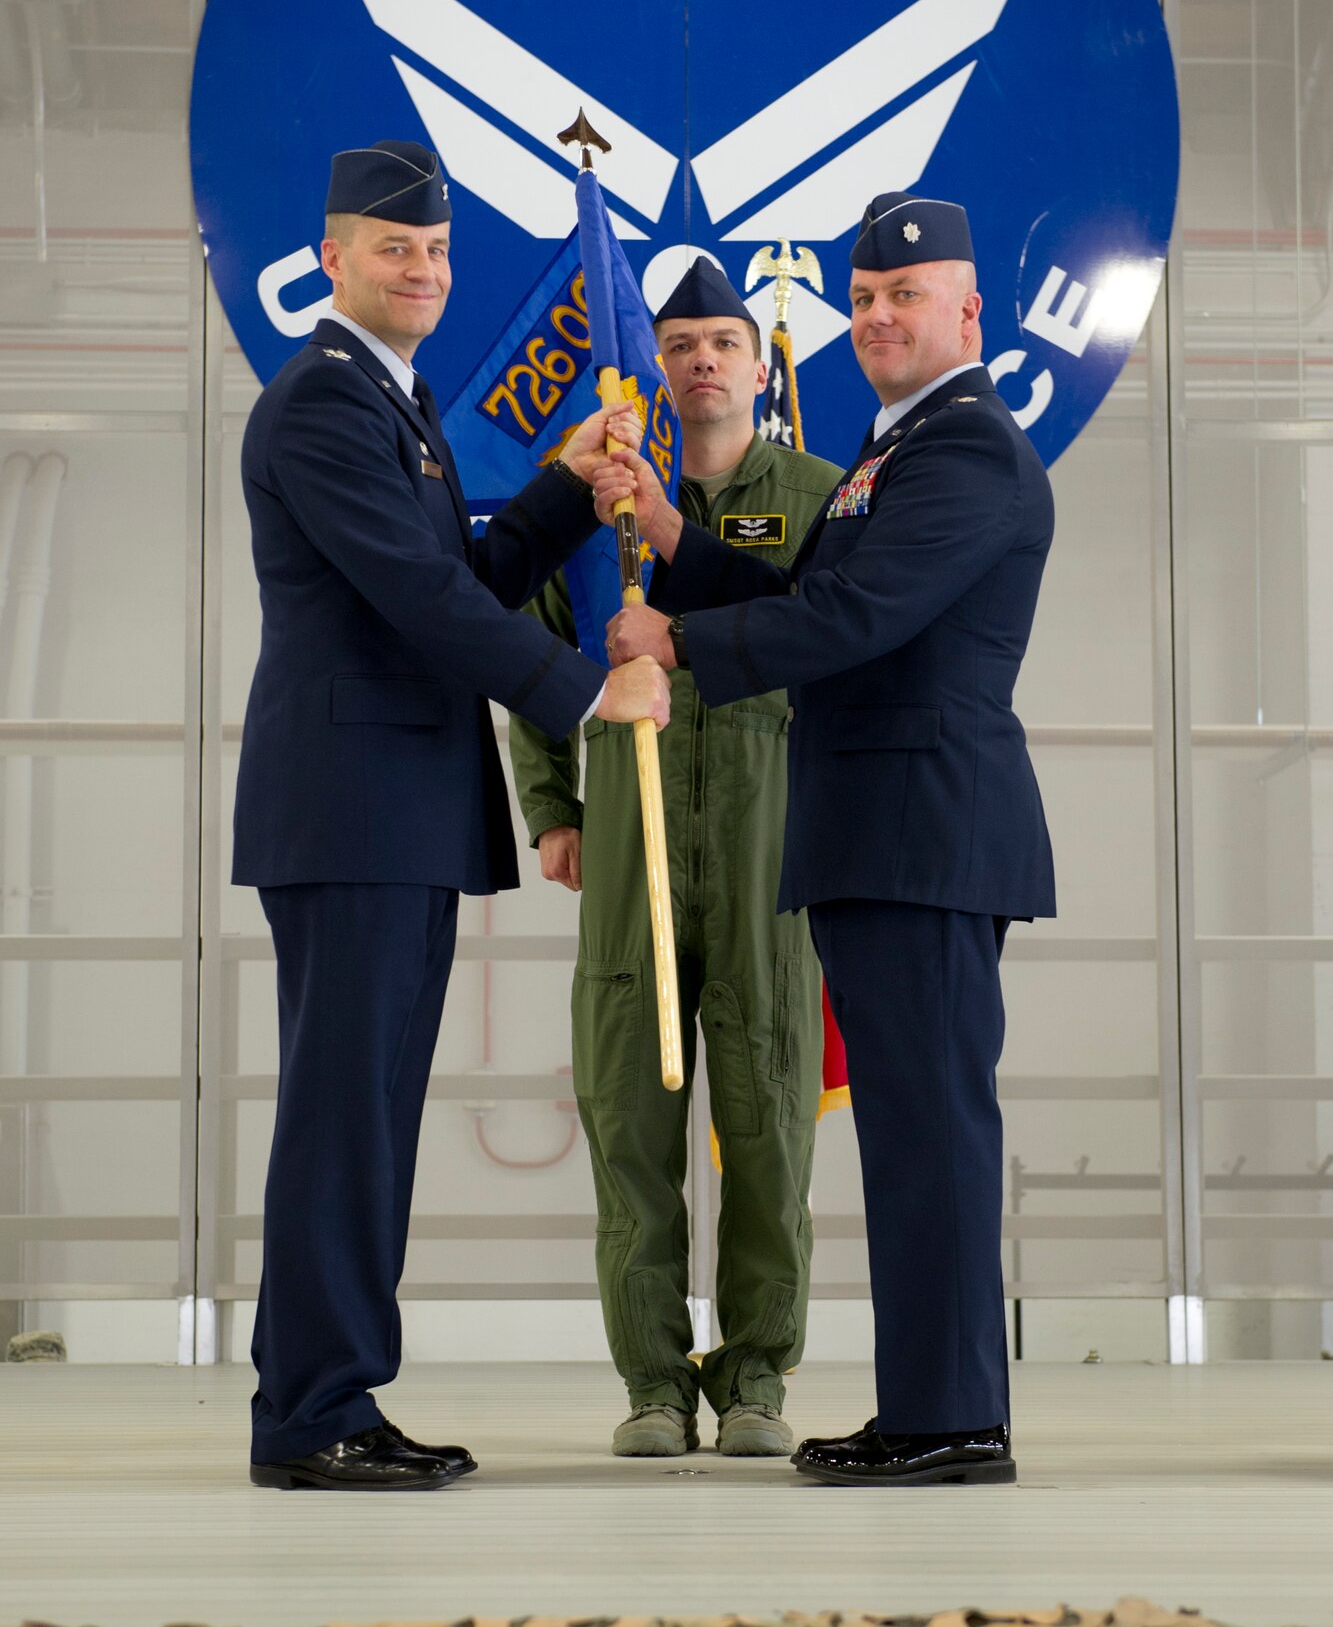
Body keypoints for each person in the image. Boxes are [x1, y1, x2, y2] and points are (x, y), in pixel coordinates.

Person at [234, 139, 669, 1492]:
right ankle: (311, 1413)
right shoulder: (321, 404)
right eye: (391, 248)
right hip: (355, 811)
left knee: (365, 1114)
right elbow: (418, 606)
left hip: (394, 811)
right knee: (343, 1117)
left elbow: (464, 570)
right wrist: (589, 693)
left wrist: (561, 484)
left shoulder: (393, 404)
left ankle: (339, 1393)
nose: (419, 268)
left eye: (432, 252)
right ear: (332, 260)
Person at [601, 192, 1056, 1486]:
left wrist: (679, 639)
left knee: (934, 1139)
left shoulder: (962, 450)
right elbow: (812, 595)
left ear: (967, 310)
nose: (875, 317)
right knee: (910, 1141)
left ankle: (958, 1417)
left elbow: (853, 619)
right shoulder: (888, 454)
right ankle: (926, 1407)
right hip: (877, 836)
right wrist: (681, 551)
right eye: (860, 300)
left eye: (903, 297)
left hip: (924, 834)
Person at [510, 257, 843, 1460]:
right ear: (649, 367)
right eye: (679, 342)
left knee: (765, 1118)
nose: (701, 359)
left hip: (767, 841)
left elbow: (841, 637)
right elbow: (531, 652)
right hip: (629, 841)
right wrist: (553, 801)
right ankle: (653, 1380)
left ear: (758, 366)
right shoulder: (596, 504)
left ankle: (756, 1374)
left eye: (723, 341)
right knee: (628, 1120)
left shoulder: (818, 496)